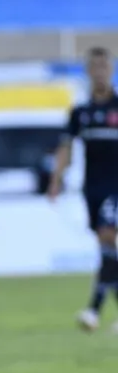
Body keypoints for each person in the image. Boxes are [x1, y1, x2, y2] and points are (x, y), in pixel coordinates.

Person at [48, 46, 118, 332]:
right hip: (92, 188)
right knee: (107, 249)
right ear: (89, 72)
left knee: (106, 236)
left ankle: (93, 310)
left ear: (110, 70)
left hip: (116, 187)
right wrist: (56, 180)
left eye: (105, 67)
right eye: (95, 67)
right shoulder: (81, 112)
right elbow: (66, 147)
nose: (100, 72)